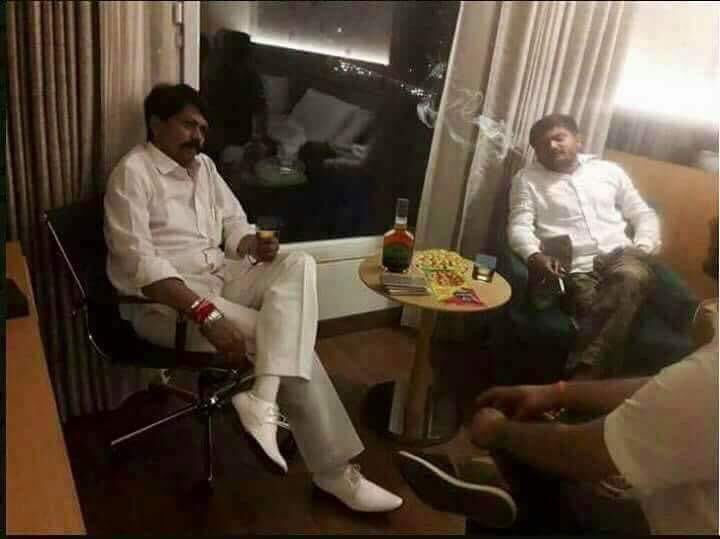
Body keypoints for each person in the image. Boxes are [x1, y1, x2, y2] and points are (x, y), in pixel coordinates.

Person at [103, 83, 402, 513]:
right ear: (156, 124)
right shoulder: (133, 174)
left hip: (220, 277)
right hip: (168, 305)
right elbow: (140, 267)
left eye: (202, 129)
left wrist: (251, 245)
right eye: (188, 125)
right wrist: (205, 313)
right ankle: (334, 473)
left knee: (299, 264)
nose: (198, 137)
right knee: (286, 341)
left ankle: (262, 397)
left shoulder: (204, 167)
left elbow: (234, 223)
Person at [397, 218, 719, 534]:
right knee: (529, 462)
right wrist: (559, 392)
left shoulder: (711, 374)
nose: (713, 220)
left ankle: (489, 481)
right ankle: (491, 482)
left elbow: (586, 452)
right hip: (678, 493)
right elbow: (666, 385)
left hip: (657, 522)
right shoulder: (705, 370)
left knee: (542, 474)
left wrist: (499, 432)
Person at [507, 113, 662, 379]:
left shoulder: (609, 171)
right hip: (577, 268)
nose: (552, 146)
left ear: (578, 140)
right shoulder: (527, 179)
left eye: (559, 138)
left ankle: (578, 382)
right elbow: (519, 225)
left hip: (622, 256)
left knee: (629, 278)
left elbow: (642, 213)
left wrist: (643, 248)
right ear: (537, 152)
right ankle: (595, 390)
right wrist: (534, 256)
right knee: (600, 311)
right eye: (543, 144)